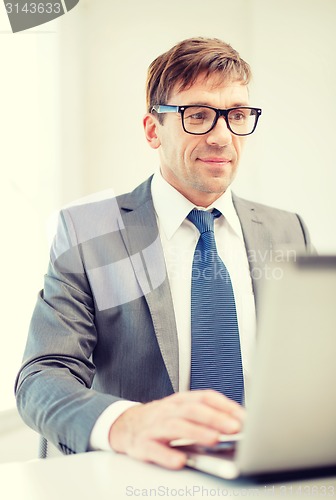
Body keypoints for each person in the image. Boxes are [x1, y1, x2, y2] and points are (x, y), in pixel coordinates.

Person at [15, 37, 311, 470]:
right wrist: (127, 423)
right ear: (154, 130)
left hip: (267, 476)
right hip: (138, 480)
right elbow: (42, 377)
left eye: (238, 115)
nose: (221, 136)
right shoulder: (89, 232)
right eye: (198, 116)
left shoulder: (287, 230)